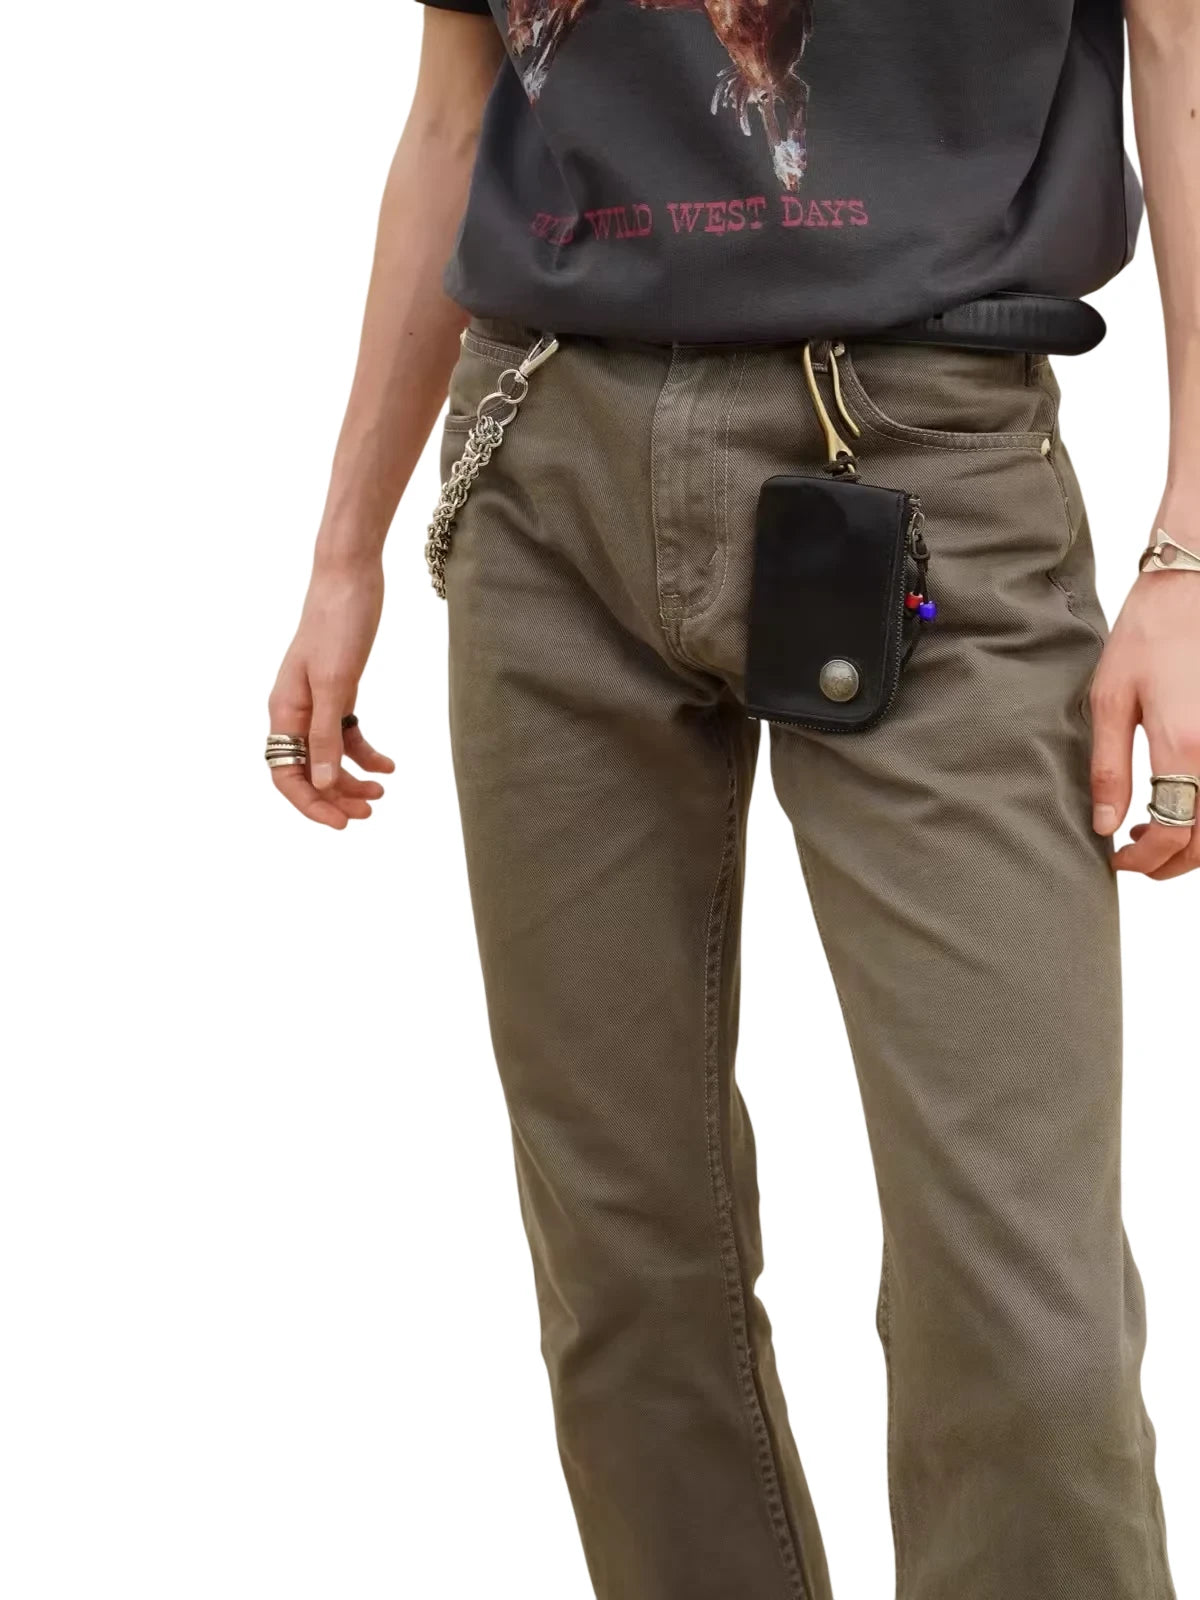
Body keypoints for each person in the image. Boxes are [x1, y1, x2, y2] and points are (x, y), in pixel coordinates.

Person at [266, 2, 1198, 1595]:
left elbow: (1182, 56)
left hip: (931, 466)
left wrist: (1187, 554)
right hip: (545, 471)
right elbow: (450, 115)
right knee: (626, 1265)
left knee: (1020, 1299)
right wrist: (342, 549)